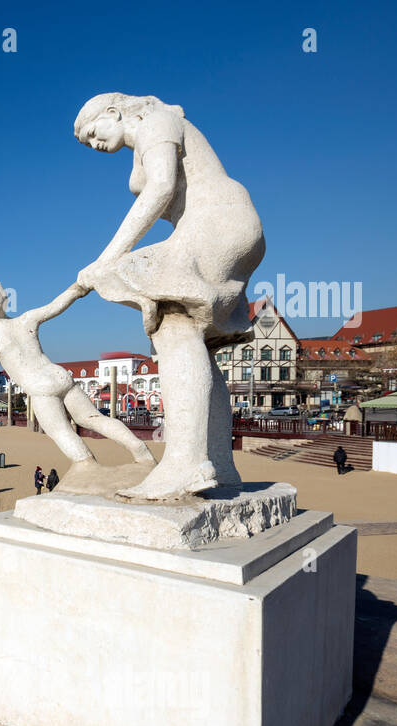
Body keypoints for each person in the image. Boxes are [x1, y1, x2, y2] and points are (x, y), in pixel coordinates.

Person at [73, 93, 265, 500]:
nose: (93, 144)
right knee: (198, 338)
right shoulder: (153, 130)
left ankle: (186, 463)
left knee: (172, 322)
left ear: (113, 111)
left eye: (92, 132)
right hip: (222, 222)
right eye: (86, 143)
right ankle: (219, 463)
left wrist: (107, 259)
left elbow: (159, 188)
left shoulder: (156, 120)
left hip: (215, 220)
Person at [0, 282, 156, 471]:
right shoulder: (26, 320)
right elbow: (56, 306)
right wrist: (79, 288)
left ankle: (87, 465)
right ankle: (140, 450)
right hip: (60, 376)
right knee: (94, 419)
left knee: (60, 431)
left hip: (41, 389)